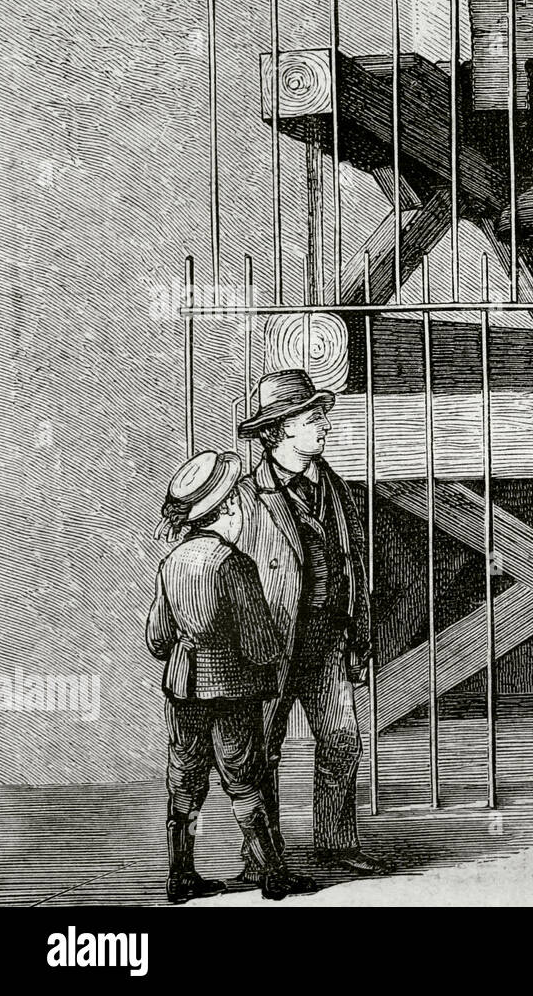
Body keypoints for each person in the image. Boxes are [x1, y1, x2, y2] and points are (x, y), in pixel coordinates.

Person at [234, 370, 392, 878]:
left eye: (321, 414)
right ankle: (263, 856)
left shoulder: (335, 486)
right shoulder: (247, 495)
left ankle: (334, 841)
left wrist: (358, 634)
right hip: (272, 644)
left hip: (327, 638)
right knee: (263, 749)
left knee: (342, 738)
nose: (323, 424)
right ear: (279, 431)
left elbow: (355, 565)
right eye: (311, 417)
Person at [146, 450, 317, 901]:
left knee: (185, 779)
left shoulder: (172, 562)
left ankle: (180, 877)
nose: (242, 512)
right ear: (225, 511)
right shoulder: (234, 564)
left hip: (182, 688)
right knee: (246, 781)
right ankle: (273, 877)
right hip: (230, 687)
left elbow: (158, 639)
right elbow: (260, 643)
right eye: (236, 505)